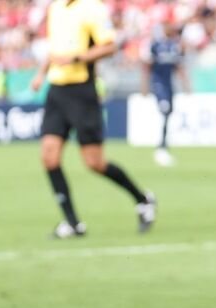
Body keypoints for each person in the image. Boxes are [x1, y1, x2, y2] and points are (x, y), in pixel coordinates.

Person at [32, 0, 155, 239]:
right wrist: (41, 74)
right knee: (49, 156)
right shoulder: (55, 8)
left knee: (94, 163)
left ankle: (142, 200)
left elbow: (110, 47)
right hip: (56, 90)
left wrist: (78, 57)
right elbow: (54, 49)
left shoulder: (93, 8)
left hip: (82, 91)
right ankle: (73, 223)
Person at [142, 24, 192, 167]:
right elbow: (146, 66)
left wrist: (186, 86)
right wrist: (144, 87)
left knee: (168, 113)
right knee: (164, 109)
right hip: (158, 83)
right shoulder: (156, 45)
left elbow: (179, 66)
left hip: (169, 85)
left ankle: (163, 145)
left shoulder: (174, 46)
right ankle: (161, 147)